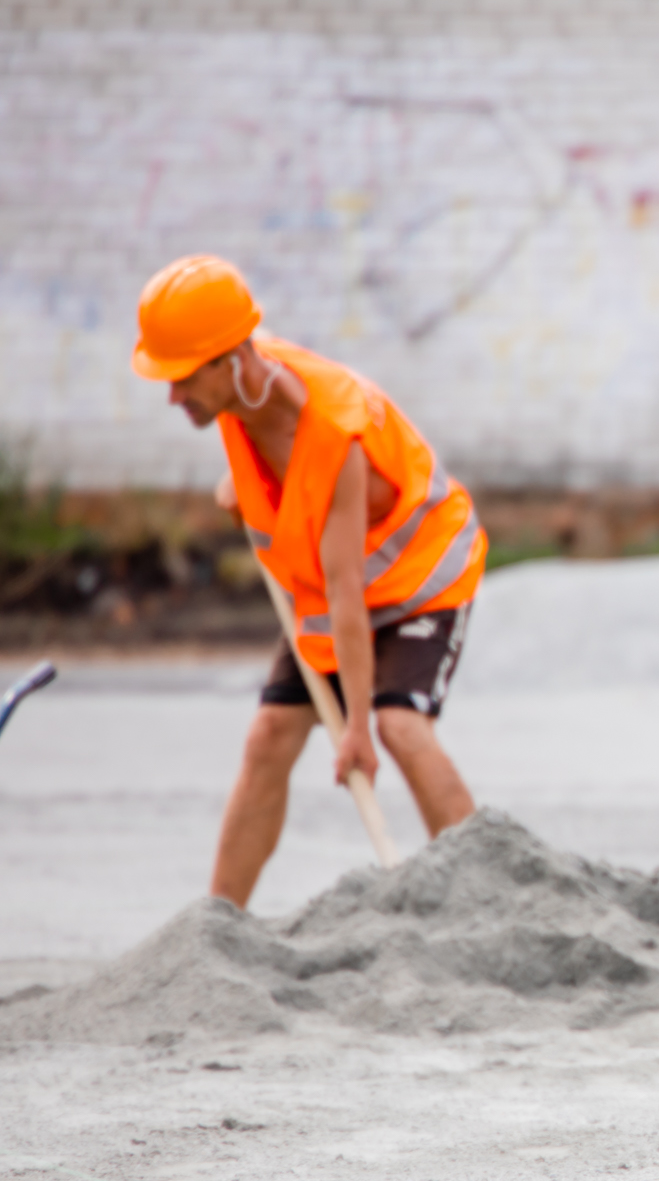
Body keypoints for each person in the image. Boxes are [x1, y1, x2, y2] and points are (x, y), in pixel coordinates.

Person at [131, 255, 486, 908]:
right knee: (268, 735)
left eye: (181, 379)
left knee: (398, 726)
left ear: (228, 361)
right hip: (329, 586)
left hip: (418, 575)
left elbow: (348, 590)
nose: (173, 396)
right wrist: (242, 484)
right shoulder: (243, 383)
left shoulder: (329, 434)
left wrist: (353, 726)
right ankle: (217, 925)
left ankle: (489, 904)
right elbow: (318, 557)